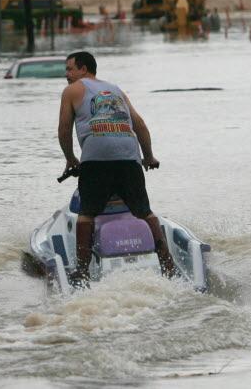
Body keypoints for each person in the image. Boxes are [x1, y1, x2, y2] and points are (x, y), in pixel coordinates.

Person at [58, 51, 177, 283]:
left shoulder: (72, 90)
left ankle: (81, 270)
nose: (67, 75)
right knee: (144, 210)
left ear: (83, 69)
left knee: (86, 213)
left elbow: (64, 129)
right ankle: (167, 261)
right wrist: (149, 157)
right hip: (129, 156)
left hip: (96, 158)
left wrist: (70, 158)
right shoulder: (116, 89)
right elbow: (139, 124)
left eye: (69, 69)